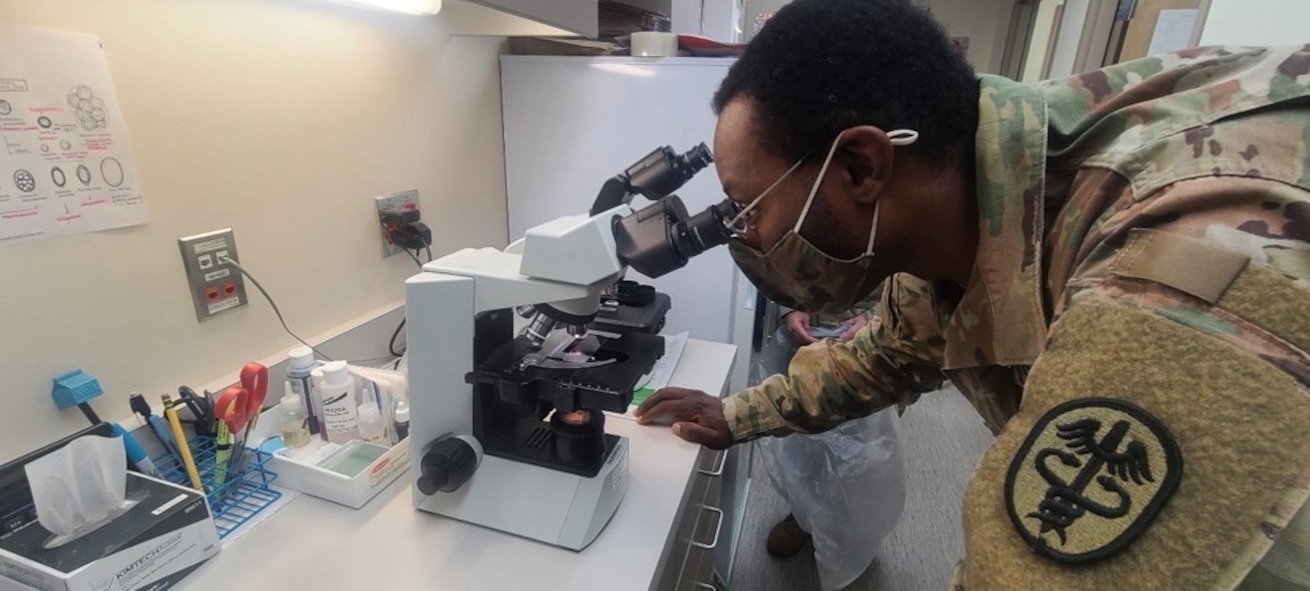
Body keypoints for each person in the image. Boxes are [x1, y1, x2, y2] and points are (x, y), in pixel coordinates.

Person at [634, 0, 1310, 588]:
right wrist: (740, 413)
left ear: (862, 166)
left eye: (748, 206)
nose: (747, 235)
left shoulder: (1165, 269)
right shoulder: (967, 194)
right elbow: (887, 353)